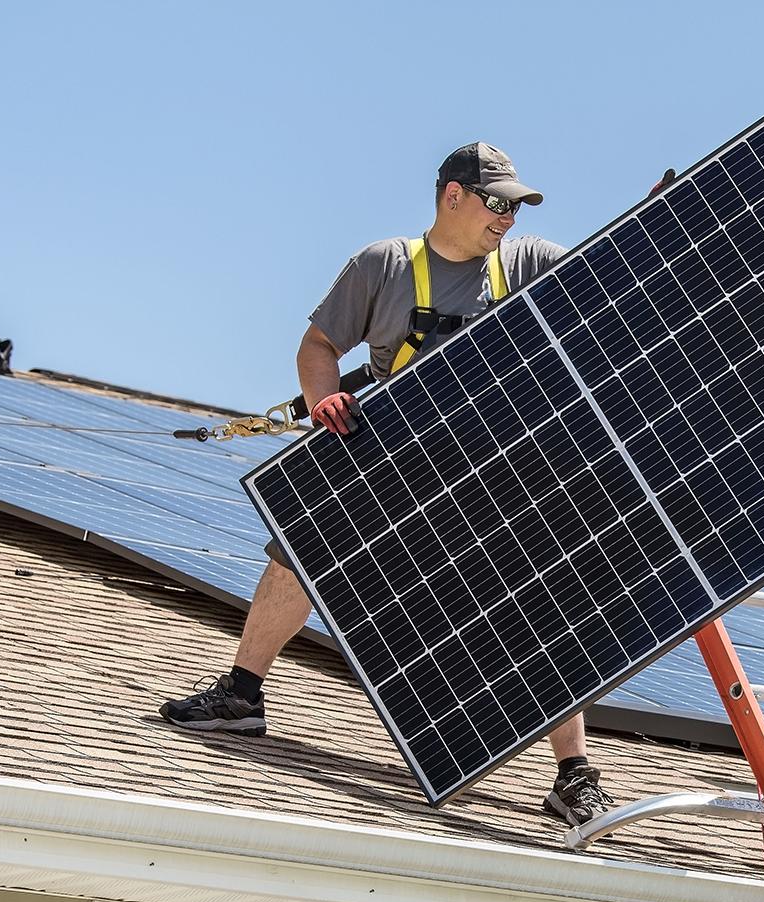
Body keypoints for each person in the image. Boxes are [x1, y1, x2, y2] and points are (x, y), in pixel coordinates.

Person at [162, 142, 616, 827]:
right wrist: (322, 401)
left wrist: (654, 217)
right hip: (393, 456)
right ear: (452, 196)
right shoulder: (383, 266)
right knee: (299, 550)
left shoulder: (525, 264)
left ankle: (573, 775)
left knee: (541, 597)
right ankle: (242, 695)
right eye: (496, 203)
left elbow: (612, 280)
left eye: (516, 208)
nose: (507, 219)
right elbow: (317, 350)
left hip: (495, 464)